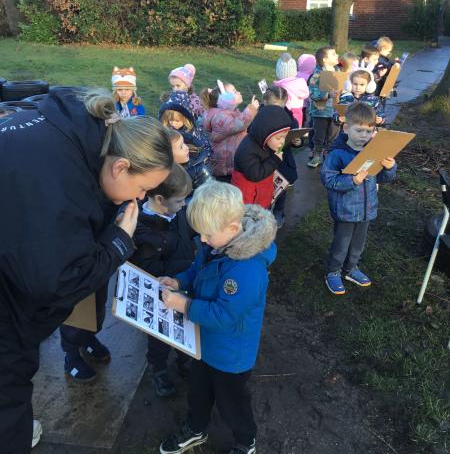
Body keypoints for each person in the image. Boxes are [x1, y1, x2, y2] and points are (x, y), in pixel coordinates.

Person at [0, 88, 173, 453]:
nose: (140, 198)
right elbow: (56, 282)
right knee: (8, 389)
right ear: (121, 166)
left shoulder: (78, 133)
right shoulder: (59, 186)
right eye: (142, 188)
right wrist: (118, 243)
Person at [158, 180, 277, 454]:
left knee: (232, 402)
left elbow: (224, 315)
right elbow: (199, 270)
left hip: (230, 354)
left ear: (233, 228)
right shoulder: (219, 245)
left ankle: (245, 440)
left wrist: (184, 305)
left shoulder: (247, 270)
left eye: (207, 234)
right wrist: (179, 281)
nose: (202, 240)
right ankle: (196, 428)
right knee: (198, 391)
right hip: (204, 343)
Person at [131, 164, 195, 397]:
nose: (184, 205)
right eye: (179, 201)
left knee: (185, 326)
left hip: (183, 285)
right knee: (160, 335)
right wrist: (182, 270)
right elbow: (149, 269)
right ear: (159, 199)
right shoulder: (142, 230)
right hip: (162, 294)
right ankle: (158, 368)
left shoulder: (176, 213)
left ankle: (184, 359)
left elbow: (189, 232)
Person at [320, 102, 397, 295]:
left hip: (366, 209)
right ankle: (333, 271)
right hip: (345, 210)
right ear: (346, 128)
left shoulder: (373, 151)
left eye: (369, 131)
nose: (364, 135)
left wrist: (390, 168)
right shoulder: (337, 154)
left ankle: (351, 268)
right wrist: (352, 180)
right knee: (341, 244)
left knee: (358, 244)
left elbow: (382, 178)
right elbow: (328, 180)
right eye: (359, 130)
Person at [232, 105, 292, 209]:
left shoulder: (265, 142)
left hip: (261, 194)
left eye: (284, 137)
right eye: (279, 138)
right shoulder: (247, 150)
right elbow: (255, 175)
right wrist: (274, 160)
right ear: (265, 134)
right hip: (248, 200)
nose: (282, 141)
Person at [202, 83, 259, 182]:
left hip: (229, 165)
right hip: (223, 170)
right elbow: (238, 124)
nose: (239, 92)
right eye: (234, 92)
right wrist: (251, 109)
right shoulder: (219, 117)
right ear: (225, 99)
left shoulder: (229, 113)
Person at [262, 86, 300, 229]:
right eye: (273, 106)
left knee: (281, 188)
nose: (276, 110)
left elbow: (295, 133)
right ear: (265, 102)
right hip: (264, 159)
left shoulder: (289, 118)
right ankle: (264, 213)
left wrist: (297, 141)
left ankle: (279, 212)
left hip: (283, 160)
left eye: (280, 107)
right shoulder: (259, 116)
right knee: (264, 189)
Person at [159, 92, 212, 189]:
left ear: (185, 118)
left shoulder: (195, 133)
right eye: (170, 120)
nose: (173, 123)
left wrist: (203, 160)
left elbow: (206, 149)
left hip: (194, 173)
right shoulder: (167, 134)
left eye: (177, 120)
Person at [307, 46, 341, 168]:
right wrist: (327, 94)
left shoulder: (338, 72)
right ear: (325, 60)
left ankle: (329, 155)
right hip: (320, 112)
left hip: (335, 111)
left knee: (333, 135)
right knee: (319, 135)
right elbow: (312, 93)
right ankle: (317, 155)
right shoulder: (317, 75)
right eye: (333, 54)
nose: (337, 55)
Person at [273, 52, 309, 127]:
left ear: (278, 72)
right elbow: (306, 94)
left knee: (284, 130)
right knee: (296, 130)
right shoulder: (300, 83)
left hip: (285, 112)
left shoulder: (280, 87)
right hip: (298, 111)